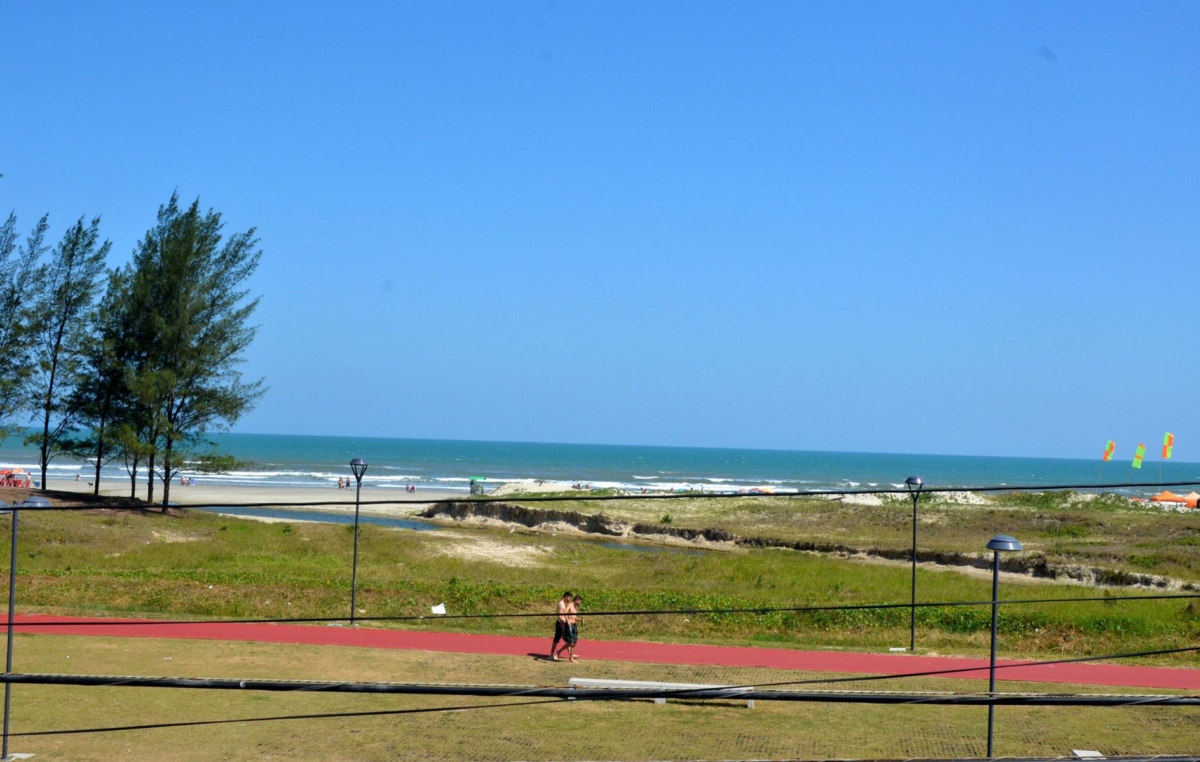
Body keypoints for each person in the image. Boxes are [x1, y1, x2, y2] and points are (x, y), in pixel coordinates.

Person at [549, 591, 573, 661]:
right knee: (556, 640)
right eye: (569, 597)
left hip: (564, 624)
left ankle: (570, 654)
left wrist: (567, 621)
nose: (569, 599)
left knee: (568, 639)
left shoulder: (564, 604)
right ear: (566, 596)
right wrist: (565, 621)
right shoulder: (561, 604)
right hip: (560, 624)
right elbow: (560, 616)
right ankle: (551, 655)